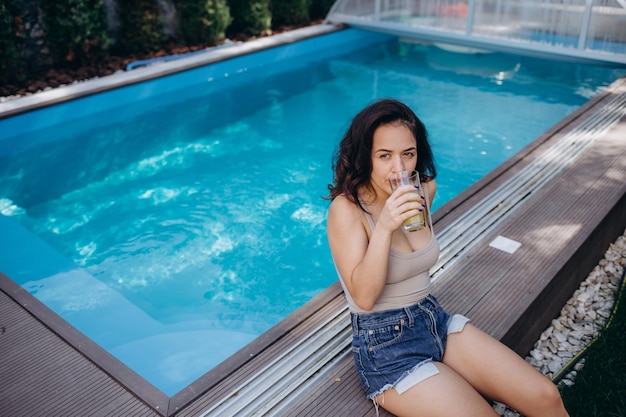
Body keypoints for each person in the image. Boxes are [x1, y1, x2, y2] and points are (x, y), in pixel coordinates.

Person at [325, 98, 570, 417]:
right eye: (384, 156)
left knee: (546, 396)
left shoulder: (424, 190)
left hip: (433, 320)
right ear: (364, 157)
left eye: (408, 154)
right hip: (385, 347)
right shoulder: (347, 210)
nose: (399, 168)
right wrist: (384, 227)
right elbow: (365, 297)